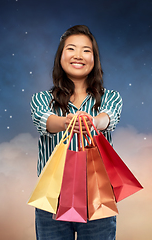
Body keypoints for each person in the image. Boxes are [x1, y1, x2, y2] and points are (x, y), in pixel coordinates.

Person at [30, 25, 123, 240]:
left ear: (94, 58)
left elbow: (109, 118)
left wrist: (94, 122)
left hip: (97, 198)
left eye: (86, 50)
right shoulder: (42, 99)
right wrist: (65, 122)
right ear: (60, 57)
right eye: (71, 49)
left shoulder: (110, 97)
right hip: (52, 199)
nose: (78, 55)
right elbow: (45, 121)